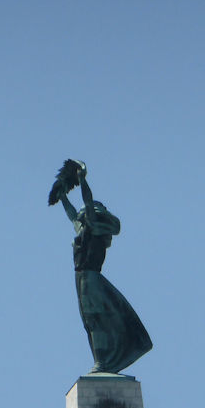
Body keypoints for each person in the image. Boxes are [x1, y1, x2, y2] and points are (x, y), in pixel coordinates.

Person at [51, 160, 152, 375]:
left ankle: (102, 363)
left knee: (95, 319)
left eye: (86, 215)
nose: (81, 217)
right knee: (90, 322)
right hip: (81, 280)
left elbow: (87, 203)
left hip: (91, 278)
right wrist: (63, 197)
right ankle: (101, 361)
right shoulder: (83, 231)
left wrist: (82, 180)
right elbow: (72, 216)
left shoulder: (95, 229)